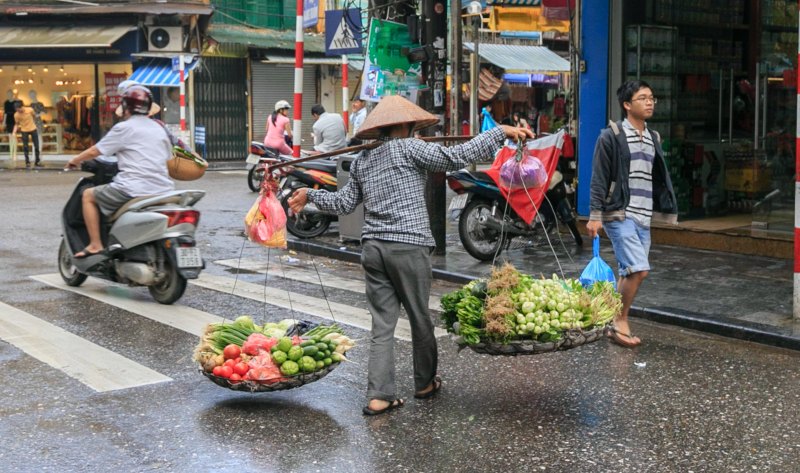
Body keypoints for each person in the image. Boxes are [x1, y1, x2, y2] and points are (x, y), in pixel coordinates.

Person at [288, 95, 533, 416]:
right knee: (419, 318)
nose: (415, 130)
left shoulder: (362, 160)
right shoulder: (410, 148)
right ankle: (424, 383)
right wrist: (499, 131)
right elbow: (457, 156)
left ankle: (379, 395)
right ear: (403, 126)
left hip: (373, 249)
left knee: (382, 325)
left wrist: (311, 195)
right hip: (409, 245)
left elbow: (344, 203)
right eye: (412, 126)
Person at [586, 80, 678, 348]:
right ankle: (619, 320)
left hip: (644, 216)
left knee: (628, 272)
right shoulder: (611, 136)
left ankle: (611, 321)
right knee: (639, 270)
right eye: (642, 98)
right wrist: (595, 215)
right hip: (618, 214)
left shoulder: (654, 138)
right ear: (627, 105)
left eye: (652, 97)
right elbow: (599, 178)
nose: (649, 102)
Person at [66, 86, 174, 258]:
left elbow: (96, 151)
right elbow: (168, 157)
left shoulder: (124, 128)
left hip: (133, 188)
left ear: (126, 107)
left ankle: (95, 244)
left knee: (88, 195)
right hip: (164, 189)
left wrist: (74, 160)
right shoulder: (159, 128)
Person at [12, 100, 41, 168]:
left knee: (36, 146)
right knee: (25, 147)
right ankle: (27, 162)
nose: (18, 111)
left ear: (22, 106)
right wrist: (14, 132)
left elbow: (34, 116)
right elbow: (16, 124)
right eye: (17, 110)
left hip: (33, 129)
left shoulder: (30, 110)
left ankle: (37, 161)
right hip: (24, 130)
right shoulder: (16, 115)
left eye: (19, 109)